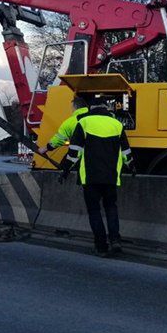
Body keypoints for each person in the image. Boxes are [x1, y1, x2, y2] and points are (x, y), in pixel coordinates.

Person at [59, 95, 134, 257]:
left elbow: (74, 153)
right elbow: (126, 153)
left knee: (94, 211)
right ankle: (115, 240)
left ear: (91, 109)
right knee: (111, 208)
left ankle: (101, 246)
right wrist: (131, 166)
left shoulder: (84, 123)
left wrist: (65, 170)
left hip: (90, 178)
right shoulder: (117, 125)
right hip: (111, 177)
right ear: (106, 108)